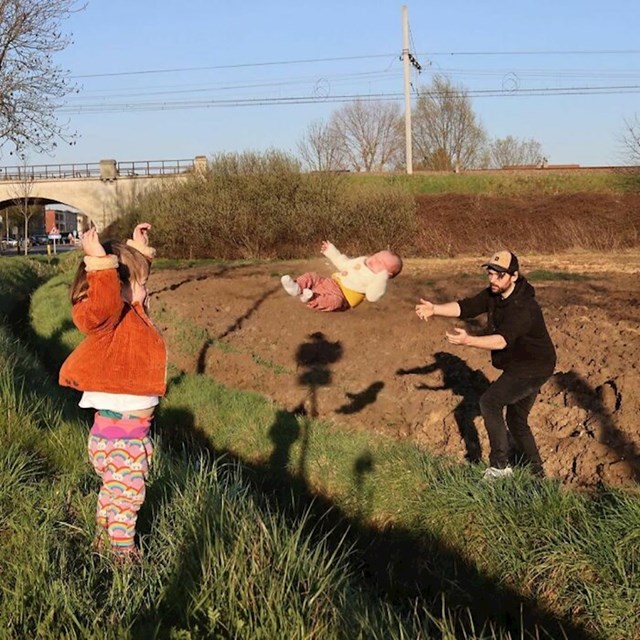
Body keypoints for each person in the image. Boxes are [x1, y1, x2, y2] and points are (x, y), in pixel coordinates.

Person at [59, 223, 166, 561]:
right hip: (124, 440)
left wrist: (139, 249)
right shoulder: (105, 314)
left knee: (114, 495)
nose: (146, 293)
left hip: (117, 434)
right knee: (127, 500)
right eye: (139, 286)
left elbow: (128, 282)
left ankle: (104, 543)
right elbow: (105, 300)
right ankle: (121, 557)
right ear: (114, 287)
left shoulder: (128, 314)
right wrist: (100, 264)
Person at [415, 250, 556, 480]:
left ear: (514, 276)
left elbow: (501, 340)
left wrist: (468, 340)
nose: (492, 280)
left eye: (499, 275)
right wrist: (435, 309)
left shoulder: (523, 307)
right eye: (490, 274)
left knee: (490, 402)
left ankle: (500, 468)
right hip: (519, 364)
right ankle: (537, 473)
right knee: (516, 419)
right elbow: (466, 306)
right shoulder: (494, 294)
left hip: (534, 367)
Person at [281, 240, 403, 312]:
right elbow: (342, 263)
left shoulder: (375, 281)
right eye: (377, 256)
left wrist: (381, 278)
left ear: (386, 275)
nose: (375, 259)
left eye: (380, 263)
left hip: (341, 296)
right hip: (330, 282)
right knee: (313, 276)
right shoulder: (361, 261)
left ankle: (309, 298)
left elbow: (372, 296)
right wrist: (330, 250)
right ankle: (296, 287)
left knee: (334, 302)